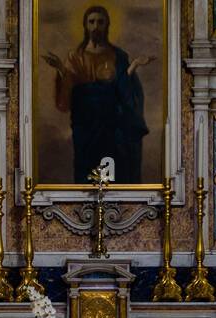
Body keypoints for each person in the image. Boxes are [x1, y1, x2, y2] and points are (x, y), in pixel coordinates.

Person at [42, 5, 154, 184]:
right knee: (87, 169)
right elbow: (71, 91)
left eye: (100, 22)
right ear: (85, 25)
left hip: (111, 126)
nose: (96, 26)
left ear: (107, 25)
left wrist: (133, 65)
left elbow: (123, 89)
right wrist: (61, 69)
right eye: (91, 22)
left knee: (112, 169)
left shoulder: (118, 56)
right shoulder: (75, 56)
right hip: (86, 125)